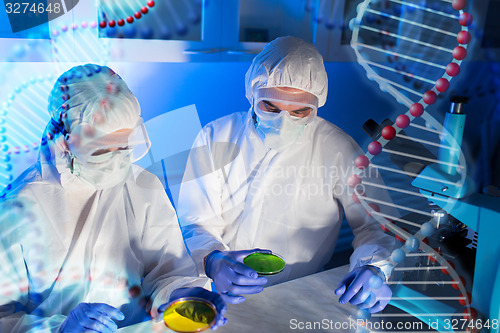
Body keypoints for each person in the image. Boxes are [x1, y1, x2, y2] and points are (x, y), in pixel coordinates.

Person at [177, 36, 396, 313]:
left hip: (301, 293)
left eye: (301, 111)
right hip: (221, 291)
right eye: (270, 106)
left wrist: (375, 268)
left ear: (318, 104)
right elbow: (196, 221)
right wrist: (214, 260)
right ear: (252, 94)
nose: (283, 122)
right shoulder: (216, 137)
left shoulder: (339, 149)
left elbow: (375, 225)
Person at [0, 64, 226, 332]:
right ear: (64, 141)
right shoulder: (21, 205)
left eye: (125, 146)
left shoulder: (142, 186)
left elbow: (167, 271)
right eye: (102, 151)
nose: (118, 161)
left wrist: (184, 296)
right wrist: (59, 329)